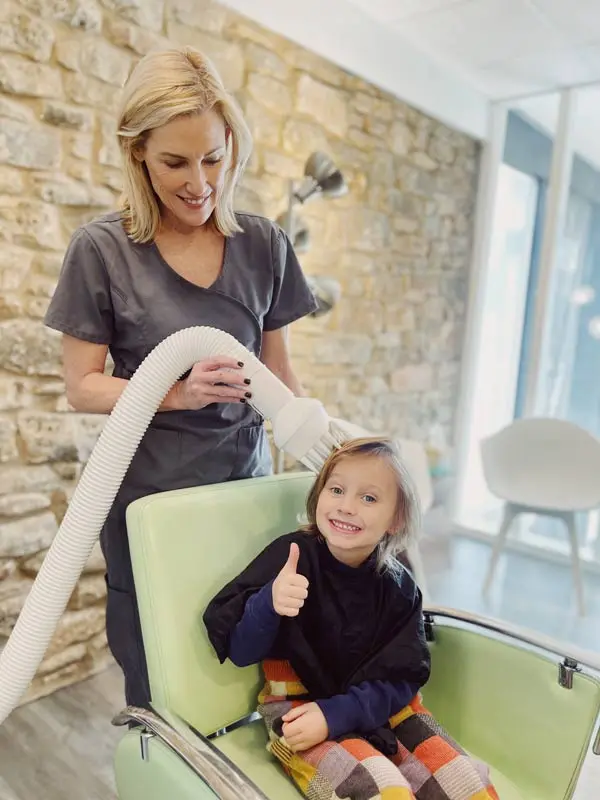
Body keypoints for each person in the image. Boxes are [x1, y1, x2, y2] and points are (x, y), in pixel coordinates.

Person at [43, 45, 318, 710]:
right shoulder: (102, 250)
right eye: (175, 162)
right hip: (150, 504)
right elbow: (82, 386)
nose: (199, 182)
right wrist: (175, 392)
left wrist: (329, 457)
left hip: (243, 498)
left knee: (243, 665)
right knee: (160, 677)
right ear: (138, 152)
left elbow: (281, 377)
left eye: (213, 158)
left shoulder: (264, 245)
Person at [203, 438, 499, 800]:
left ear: (396, 519)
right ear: (319, 495)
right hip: (300, 708)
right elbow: (240, 651)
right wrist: (269, 602)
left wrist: (339, 713)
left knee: (466, 784)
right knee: (386, 791)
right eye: (337, 490)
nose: (346, 506)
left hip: (380, 705)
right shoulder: (291, 557)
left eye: (369, 498)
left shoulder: (400, 587)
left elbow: (403, 678)